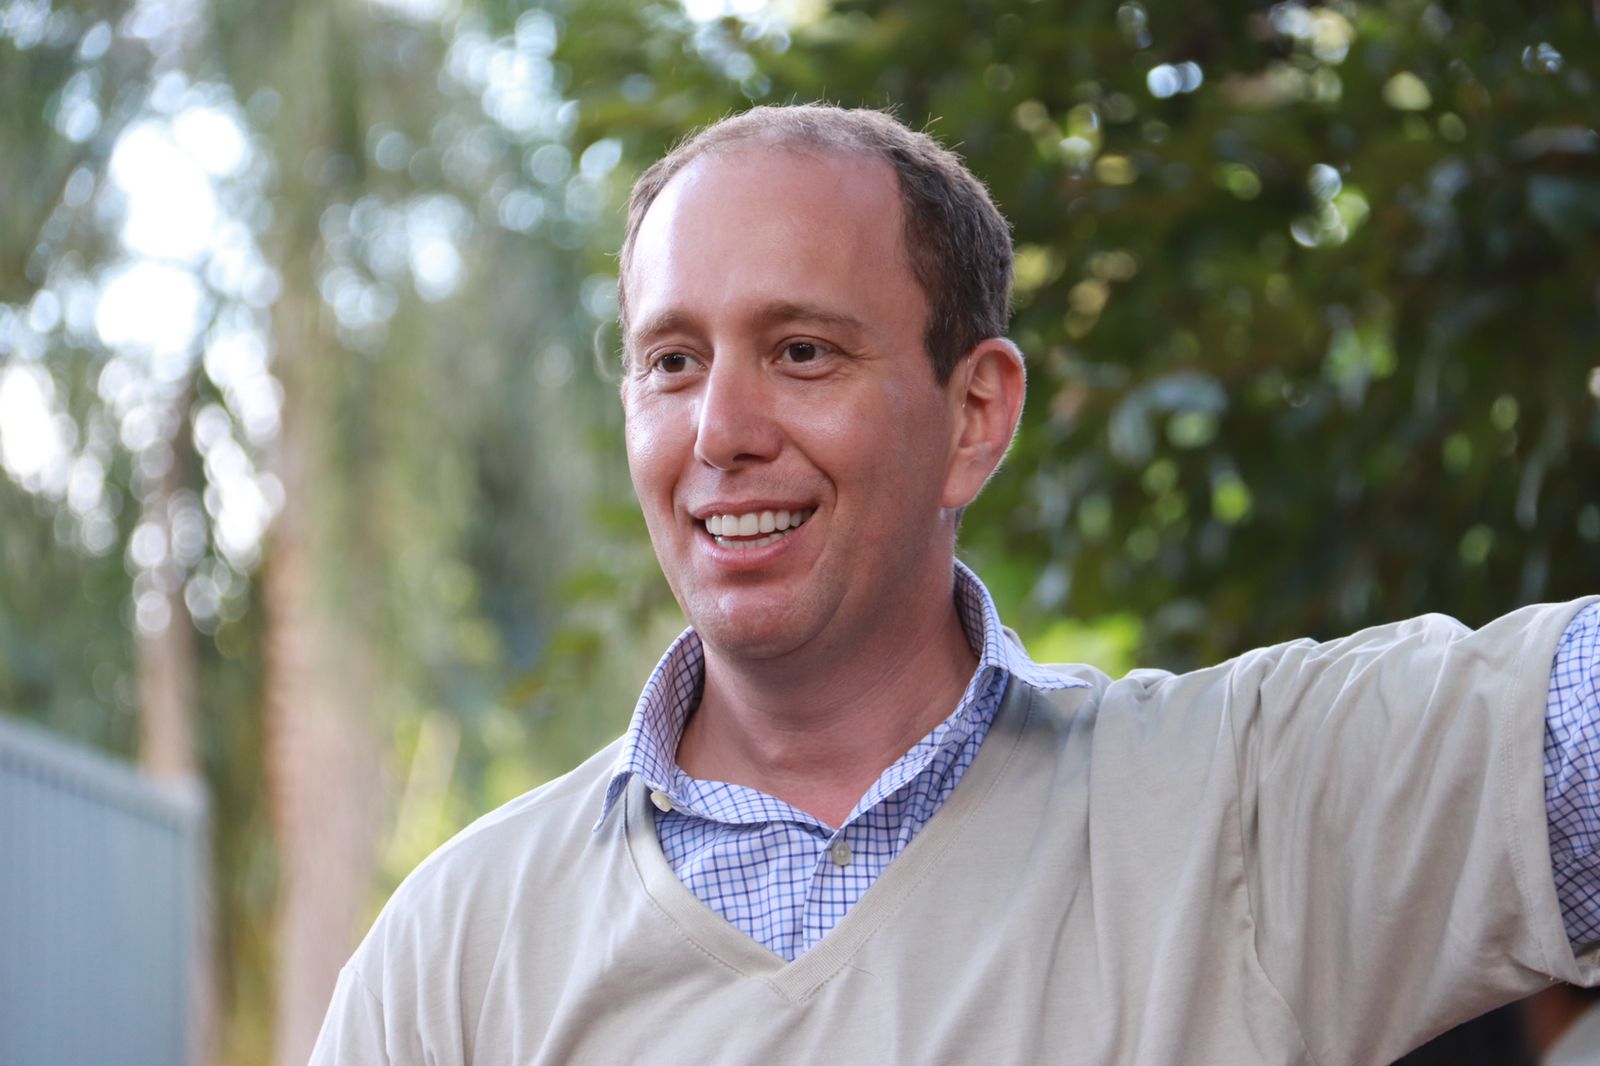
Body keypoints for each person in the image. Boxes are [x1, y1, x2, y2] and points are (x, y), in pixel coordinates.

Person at [310, 104, 1600, 1064]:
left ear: (975, 414)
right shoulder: (456, 954)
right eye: (672, 362)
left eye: (802, 351)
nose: (720, 432)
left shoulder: (1237, 813)